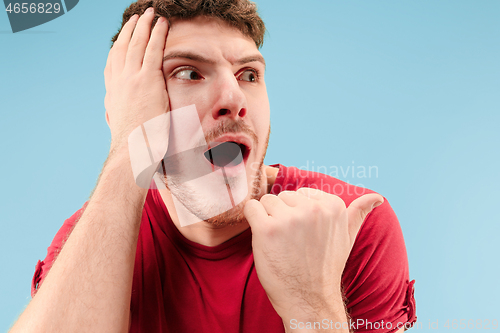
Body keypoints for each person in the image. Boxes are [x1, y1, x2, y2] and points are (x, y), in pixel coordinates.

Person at [10, 0, 416, 332]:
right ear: (136, 107)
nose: (234, 97)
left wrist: (311, 304)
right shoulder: (93, 241)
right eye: (189, 72)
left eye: (249, 74)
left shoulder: (348, 223)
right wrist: (129, 146)